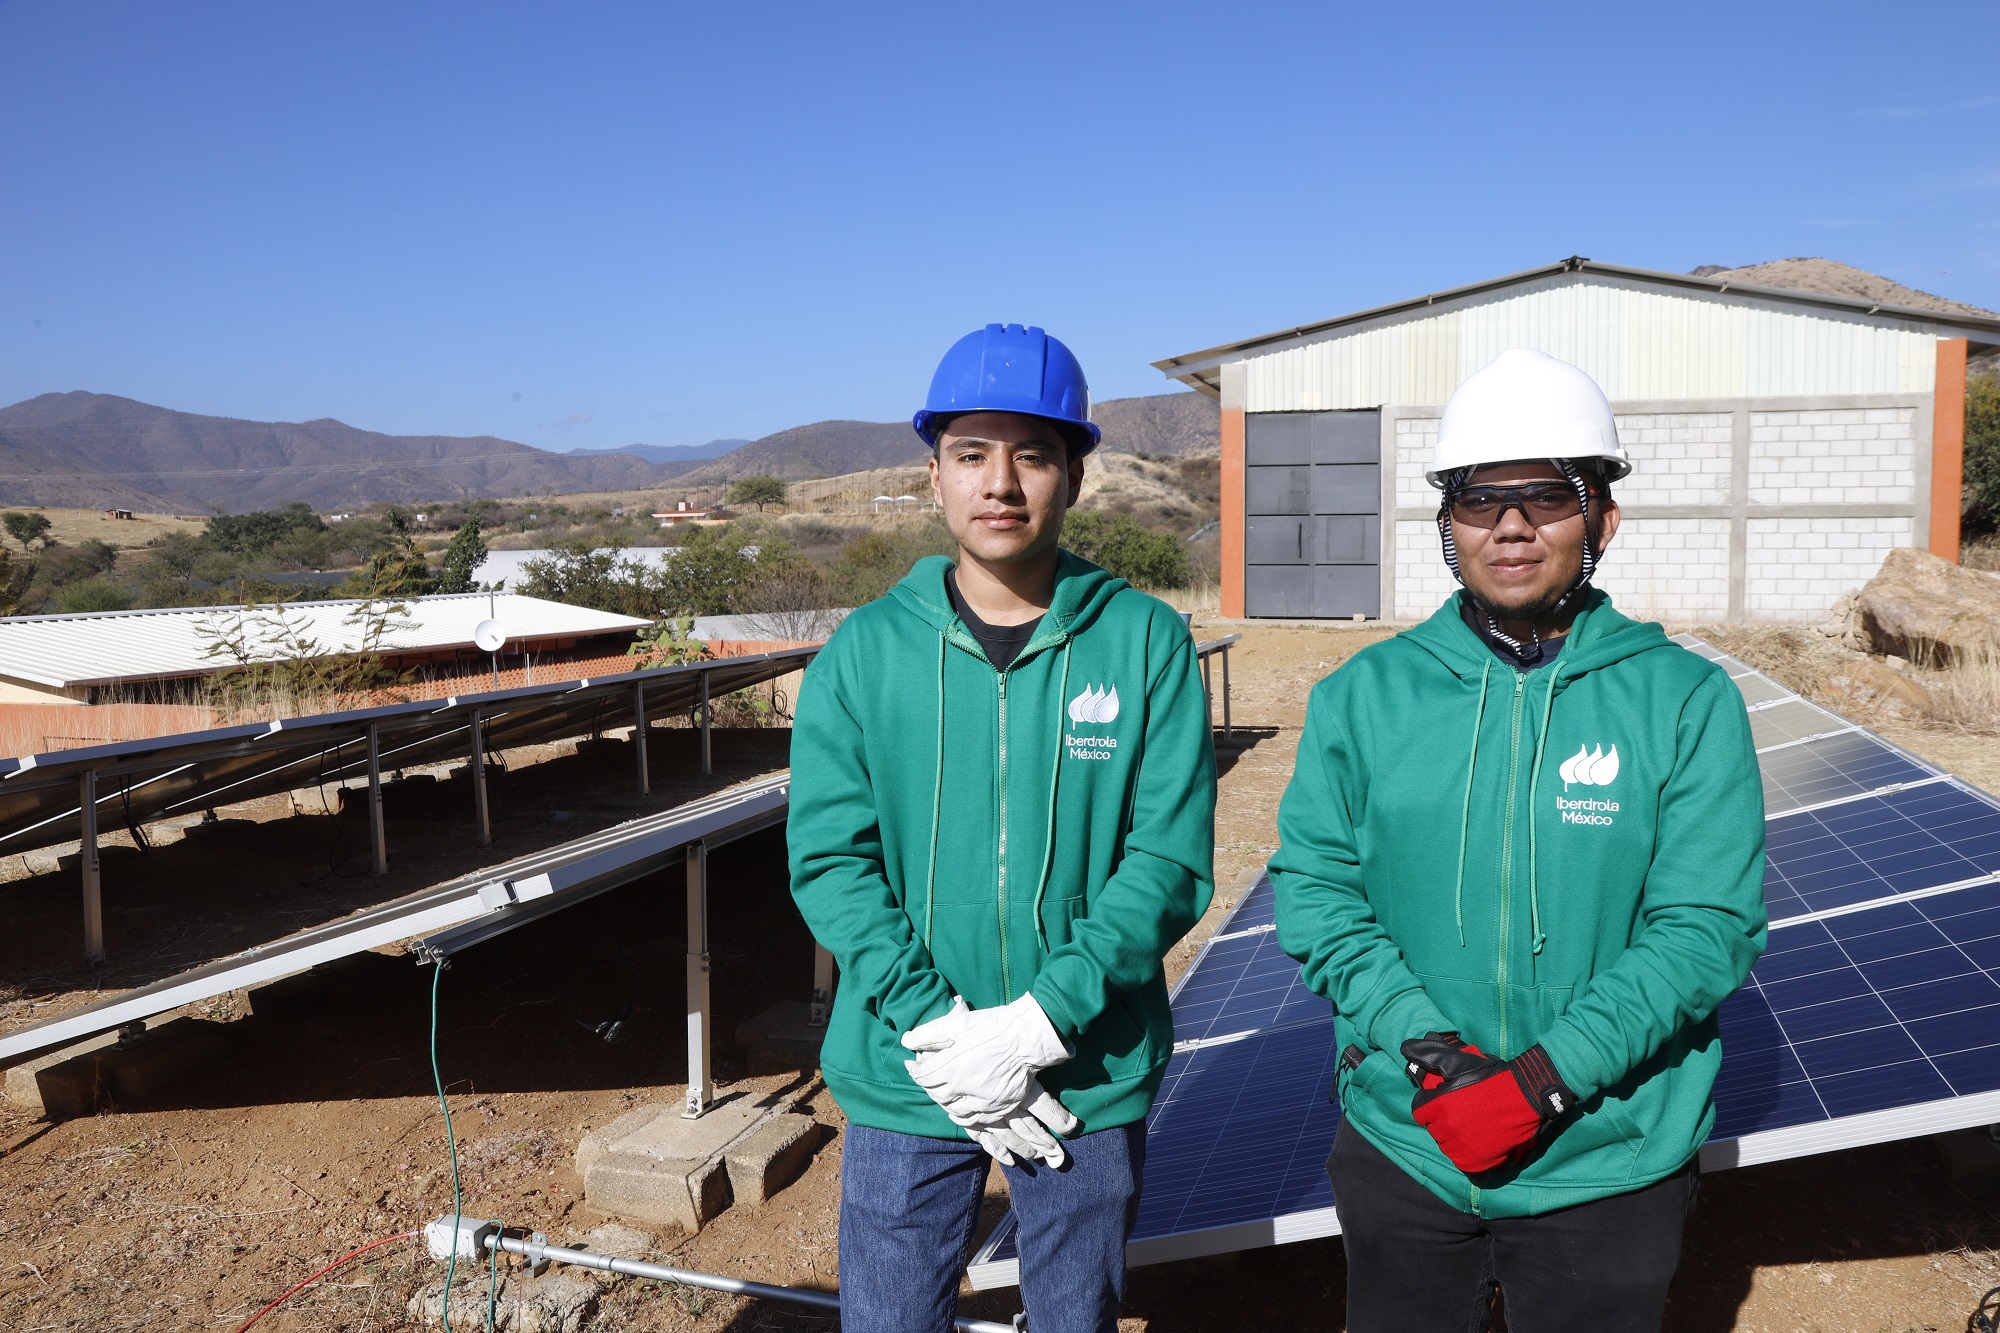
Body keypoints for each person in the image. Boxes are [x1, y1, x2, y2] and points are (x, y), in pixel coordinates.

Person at [1270, 348, 1768, 1332]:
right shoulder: (1362, 698)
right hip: (1405, 1141)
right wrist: (1423, 1046)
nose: (1506, 525)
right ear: (1444, 523)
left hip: (1604, 1157)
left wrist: (1542, 1080)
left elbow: (1702, 926)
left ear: (1601, 519)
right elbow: (1316, 889)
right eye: (1473, 498)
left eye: (1543, 497)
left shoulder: (1681, 702)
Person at [788, 323, 1215, 1333]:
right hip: (907, 1065)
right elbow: (828, 860)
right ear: (931, 474)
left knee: (1074, 1316)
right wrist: (937, 1026)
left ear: (1074, 474)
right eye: (972, 454)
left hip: (1083, 1065)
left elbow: (1163, 859)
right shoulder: (863, 654)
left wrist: (1036, 1022)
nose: (1001, 483)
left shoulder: (1142, 641)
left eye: (1031, 455)